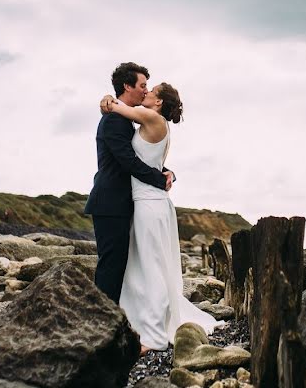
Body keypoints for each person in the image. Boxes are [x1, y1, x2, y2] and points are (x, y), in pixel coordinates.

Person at [100, 82, 223, 354]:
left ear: (158, 102)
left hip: (149, 206)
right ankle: (142, 323)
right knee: (146, 268)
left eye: (150, 90)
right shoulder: (154, 121)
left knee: (153, 270)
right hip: (149, 204)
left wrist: (108, 99)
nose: (146, 93)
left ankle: (154, 337)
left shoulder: (152, 117)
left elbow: (118, 107)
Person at [83, 62, 174, 305]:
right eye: (142, 85)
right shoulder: (114, 120)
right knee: (111, 266)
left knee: (120, 265)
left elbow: (141, 156)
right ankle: (102, 322)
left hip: (122, 203)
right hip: (110, 203)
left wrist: (168, 173)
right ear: (127, 85)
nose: (145, 91)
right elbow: (128, 161)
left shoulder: (127, 119)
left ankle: (114, 318)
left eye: (147, 87)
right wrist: (159, 180)